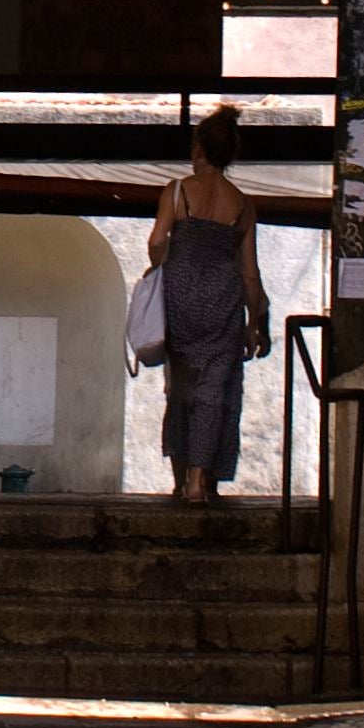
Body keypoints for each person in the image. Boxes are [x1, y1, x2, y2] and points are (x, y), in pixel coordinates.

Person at [148, 104, 270, 505]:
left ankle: (180, 477)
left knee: (181, 389)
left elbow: (156, 242)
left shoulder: (177, 191)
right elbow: (249, 273)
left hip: (180, 298)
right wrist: (255, 321)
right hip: (224, 304)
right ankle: (200, 480)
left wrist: (161, 263)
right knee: (214, 393)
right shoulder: (243, 204)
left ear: (198, 148)